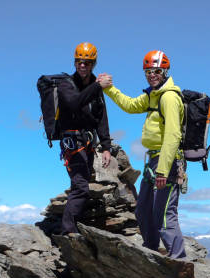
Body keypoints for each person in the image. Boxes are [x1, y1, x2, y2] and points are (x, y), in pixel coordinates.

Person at [97, 50, 187, 258]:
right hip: (153, 161)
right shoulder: (152, 96)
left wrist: (163, 170)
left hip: (167, 162)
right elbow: (129, 105)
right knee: (144, 211)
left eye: (156, 71)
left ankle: (179, 261)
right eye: (148, 71)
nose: (152, 75)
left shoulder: (169, 98)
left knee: (164, 215)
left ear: (165, 71)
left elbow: (173, 135)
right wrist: (109, 89)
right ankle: (151, 252)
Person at [57, 42, 113, 234]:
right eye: (80, 62)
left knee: (78, 185)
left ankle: (74, 228)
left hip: (88, 143)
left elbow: (101, 117)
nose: (83, 66)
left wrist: (106, 147)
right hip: (72, 143)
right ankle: (68, 233)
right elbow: (74, 103)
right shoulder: (66, 84)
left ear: (93, 64)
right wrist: (97, 86)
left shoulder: (95, 88)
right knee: (81, 187)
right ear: (74, 62)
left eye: (87, 63)